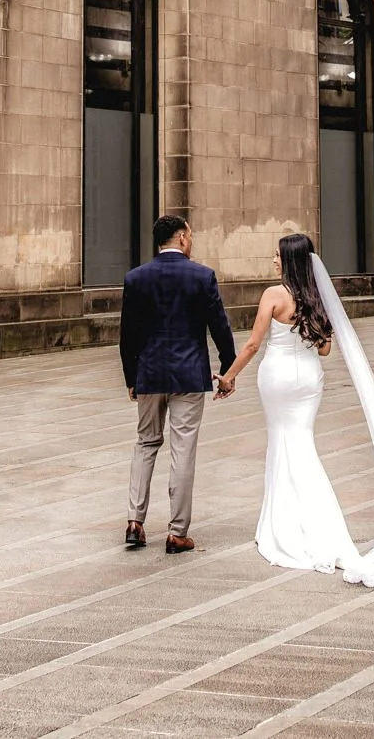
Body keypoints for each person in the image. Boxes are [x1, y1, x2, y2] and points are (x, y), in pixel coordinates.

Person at [216, 232, 374, 587]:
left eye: (277, 256)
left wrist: (228, 377)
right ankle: (305, 522)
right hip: (308, 381)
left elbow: (254, 343)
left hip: (277, 377)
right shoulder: (317, 298)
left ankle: (286, 525)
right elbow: (324, 351)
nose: (273, 261)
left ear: (288, 260)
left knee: (281, 442)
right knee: (301, 442)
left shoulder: (273, 295)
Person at [119, 212, 237, 553]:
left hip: (150, 374)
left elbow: (127, 335)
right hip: (188, 373)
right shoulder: (201, 276)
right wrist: (228, 369)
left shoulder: (136, 278)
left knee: (145, 443)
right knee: (182, 449)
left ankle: (134, 522)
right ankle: (176, 532)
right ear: (183, 238)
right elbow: (219, 326)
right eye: (192, 235)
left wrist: (131, 377)